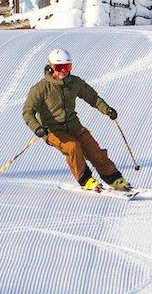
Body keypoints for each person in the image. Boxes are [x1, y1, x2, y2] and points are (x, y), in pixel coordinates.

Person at [22, 48, 130, 192]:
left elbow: (92, 97)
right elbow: (28, 112)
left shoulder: (74, 82)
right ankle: (86, 180)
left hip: (74, 125)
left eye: (67, 67)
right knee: (72, 147)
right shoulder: (40, 88)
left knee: (94, 150)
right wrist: (37, 128)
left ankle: (114, 179)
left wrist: (107, 109)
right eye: (60, 67)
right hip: (52, 130)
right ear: (51, 67)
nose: (64, 71)